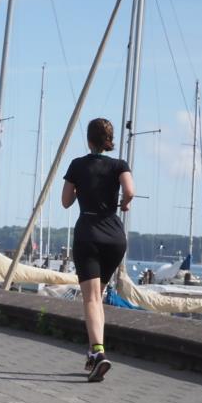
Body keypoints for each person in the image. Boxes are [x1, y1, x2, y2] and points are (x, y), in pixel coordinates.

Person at [61, 118, 135, 382]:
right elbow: (129, 190)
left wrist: (81, 187)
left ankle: (99, 353)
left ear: (89, 139)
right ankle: (93, 354)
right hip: (115, 236)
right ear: (108, 140)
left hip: (88, 234)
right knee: (98, 296)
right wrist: (124, 204)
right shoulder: (119, 165)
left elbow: (66, 202)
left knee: (91, 299)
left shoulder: (77, 165)